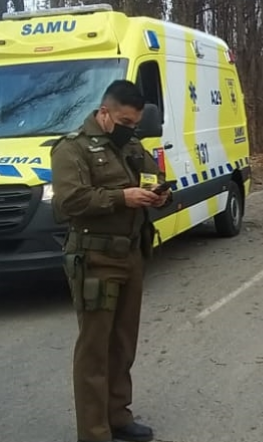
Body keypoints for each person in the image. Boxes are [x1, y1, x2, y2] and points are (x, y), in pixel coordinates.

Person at [51, 80, 172, 442]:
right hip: (95, 259)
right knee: (94, 349)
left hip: (131, 254)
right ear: (105, 113)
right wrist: (123, 198)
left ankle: (118, 415)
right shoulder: (72, 149)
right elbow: (69, 203)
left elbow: (154, 177)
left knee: (123, 343)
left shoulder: (131, 144)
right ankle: (94, 431)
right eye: (124, 121)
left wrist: (157, 195)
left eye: (135, 123)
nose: (130, 129)